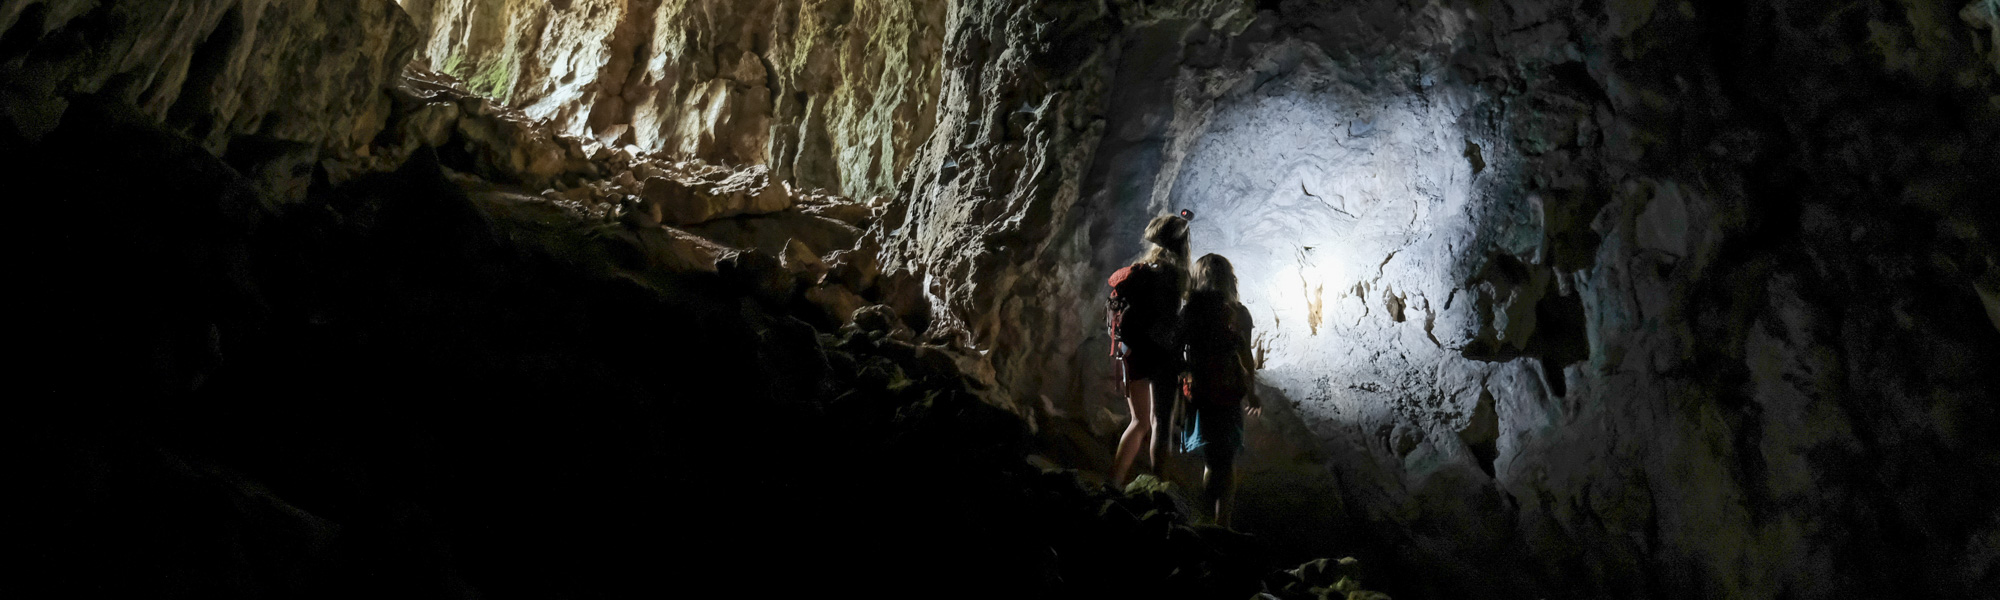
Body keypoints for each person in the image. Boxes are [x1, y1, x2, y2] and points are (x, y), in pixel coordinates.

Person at [1106, 213, 1191, 486]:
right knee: (1160, 424)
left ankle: (1114, 483)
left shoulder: (1138, 271)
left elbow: (1120, 312)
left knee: (1139, 421)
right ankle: (1158, 487)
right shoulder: (1174, 276)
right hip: (1162, 357)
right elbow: (1170, 321)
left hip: (1134, 353)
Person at [1177, 253, 1260, 527]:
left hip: (1201, 394)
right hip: (1229, 392)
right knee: (1226, 460)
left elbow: (1176, 348)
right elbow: (1246, 357)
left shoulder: (1191, 312)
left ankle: (1206, 521)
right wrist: (1252, 392)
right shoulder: (1239, 313)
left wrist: (1183, 376)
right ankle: (1222, 522)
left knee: (1212, 461)